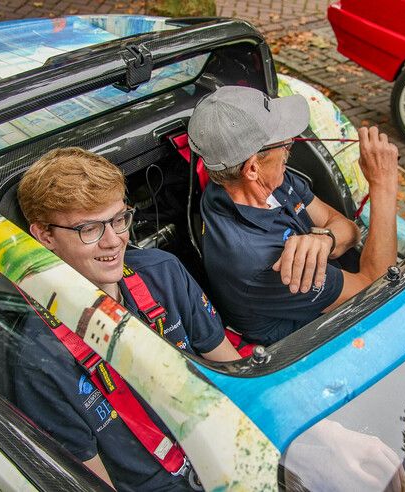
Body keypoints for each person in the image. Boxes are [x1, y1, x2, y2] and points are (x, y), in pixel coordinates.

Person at [14, 147, 240, 491]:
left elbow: (232, 372)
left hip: (225, 449)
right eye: (89, 228)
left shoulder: (163, 273)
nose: (115, 240)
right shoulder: (40, 360)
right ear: (45, 236)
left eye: (119, 219)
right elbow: (93, 482)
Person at [189, 86, 398, 345]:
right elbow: (380, 289)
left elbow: (348, 228)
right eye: (282, 142)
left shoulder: (254, 182)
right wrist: (383, 185)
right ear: (252, 168)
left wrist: (325, 239)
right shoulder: (264, 263)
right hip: (317, 343)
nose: (290, 144)